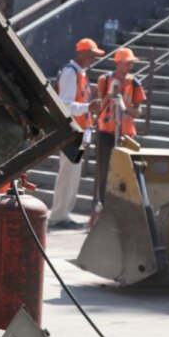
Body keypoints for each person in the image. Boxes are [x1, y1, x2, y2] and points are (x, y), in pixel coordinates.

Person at [48, 38, 103, 230]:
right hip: (72, 132)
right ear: (81, 54)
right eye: (91, 55)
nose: (93, 59)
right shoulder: (71, 74)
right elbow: (65, 105)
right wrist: (89, 106)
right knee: (68, 174)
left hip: (78, 132)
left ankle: (63, 214)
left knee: (72, 175)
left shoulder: (80, 74)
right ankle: (59, 215)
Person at [94, 47, 146, 208]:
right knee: (104, 169)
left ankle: (123, 204)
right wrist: (111, 93)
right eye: (127, 63)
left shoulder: (135, 83)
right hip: (106, 132)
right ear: (118, 63)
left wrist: (126, 108)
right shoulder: (105, 80)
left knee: (127, 170)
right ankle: (102, 203)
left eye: (131, 64)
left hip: (126, 133)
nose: (129, 67)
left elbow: (138, 111)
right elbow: (98, 107)